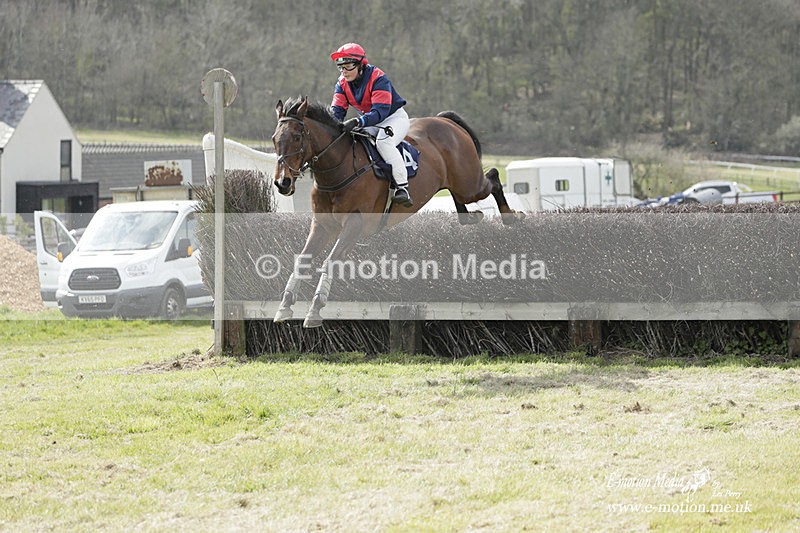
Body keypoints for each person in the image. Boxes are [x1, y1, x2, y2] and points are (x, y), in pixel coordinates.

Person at [329, 42, 413, 207]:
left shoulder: (378, 78)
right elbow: (337, 112)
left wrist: (358, 121)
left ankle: (402, 187)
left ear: (360, 65)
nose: (343, 72)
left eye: (347, 67)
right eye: (341, 67)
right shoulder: (341, 83)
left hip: (393, 118)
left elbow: (380, 112)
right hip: (370, 119)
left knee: (384, 142)